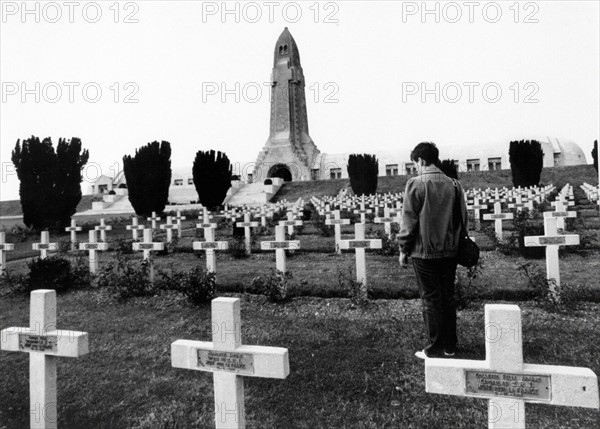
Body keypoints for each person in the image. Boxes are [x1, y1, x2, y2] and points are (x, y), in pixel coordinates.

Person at [397, 142, 468, 359]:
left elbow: (408, 221)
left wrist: (403, 249)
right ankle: (450, 346)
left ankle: (434, 347)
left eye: (415, 164)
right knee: (447, 296)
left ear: (421, 161)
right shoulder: (454, 185)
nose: (415, 168)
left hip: (423, 252)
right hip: (450, 251)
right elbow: (463, 218)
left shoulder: (416, 184)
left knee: (430, 298)